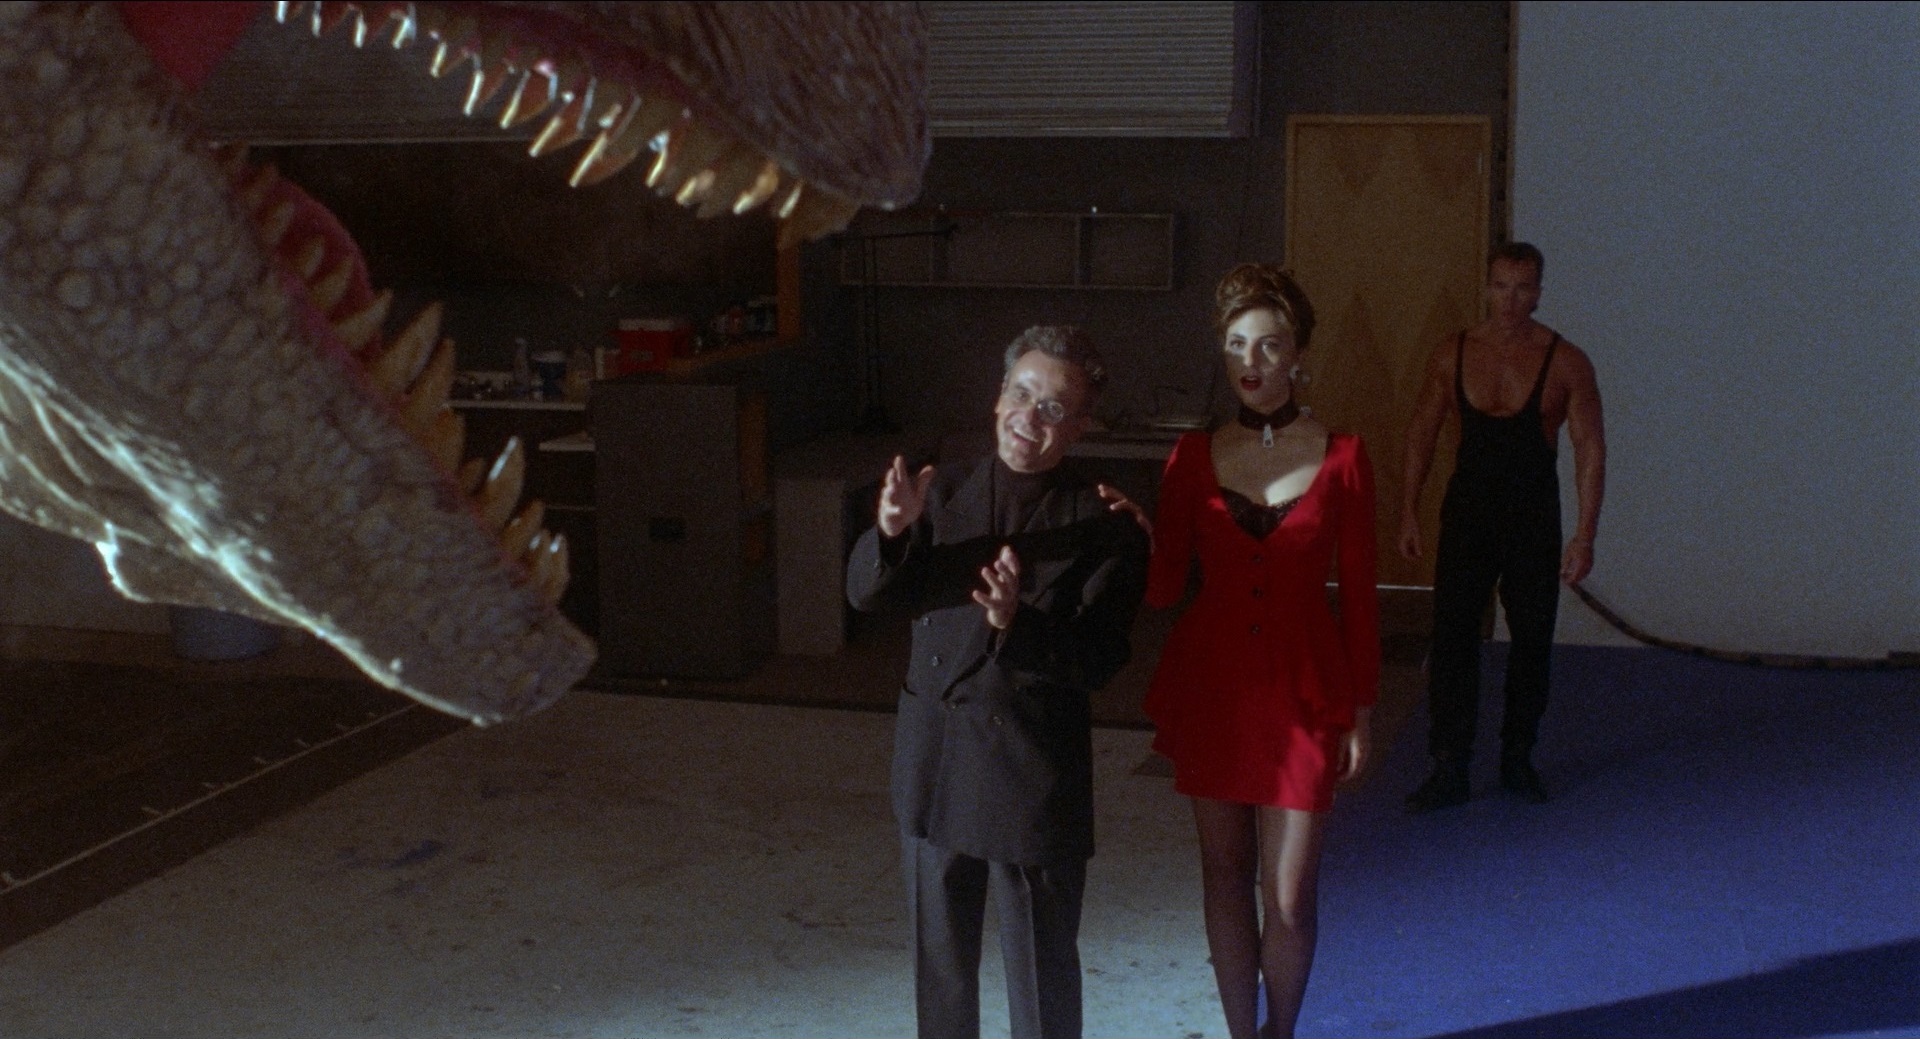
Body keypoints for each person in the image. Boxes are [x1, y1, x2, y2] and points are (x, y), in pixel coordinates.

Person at [847, 325, 1150, 1039]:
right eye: (1021, 393)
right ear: (997, 397)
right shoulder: (940, 492)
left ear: (1079, 426)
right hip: (936, 759)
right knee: (941, 972)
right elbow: (868, 595)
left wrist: (1017, 622)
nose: (1028, 417)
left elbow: (1099, 659)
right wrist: (891, 532)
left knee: (1043, 977)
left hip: (1030, 768)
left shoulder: (1106, 525)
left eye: (1053, 407)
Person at [1143, 264, 1380, 1039]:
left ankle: (1281, 1030)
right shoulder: (1190, 456)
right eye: (1237, 344)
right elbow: (1162, 587)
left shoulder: (1344, 456)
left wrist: (1362, 709)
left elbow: (1362, 597)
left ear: (1297, 355)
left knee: (1289, 896)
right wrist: (1129, 529)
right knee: (1222, 874)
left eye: (1270, 345)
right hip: (1213, 687)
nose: (1251, 361)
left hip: (1306, 691)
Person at [1398, 241, 1606, 812]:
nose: (1510, 300)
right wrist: (1408, 510)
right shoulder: (1453, 353)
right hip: (1468, 513)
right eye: (1501, 287)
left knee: (1532, 640)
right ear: (1487, 288)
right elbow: (1422, 430)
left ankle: (1518, 757)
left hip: (1532, 517)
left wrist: (1585, 535)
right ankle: (1449, 765)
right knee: (1453, 638)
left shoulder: (1566, 361)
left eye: (1522, 289)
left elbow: (1591, 450)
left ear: (1538, 293)